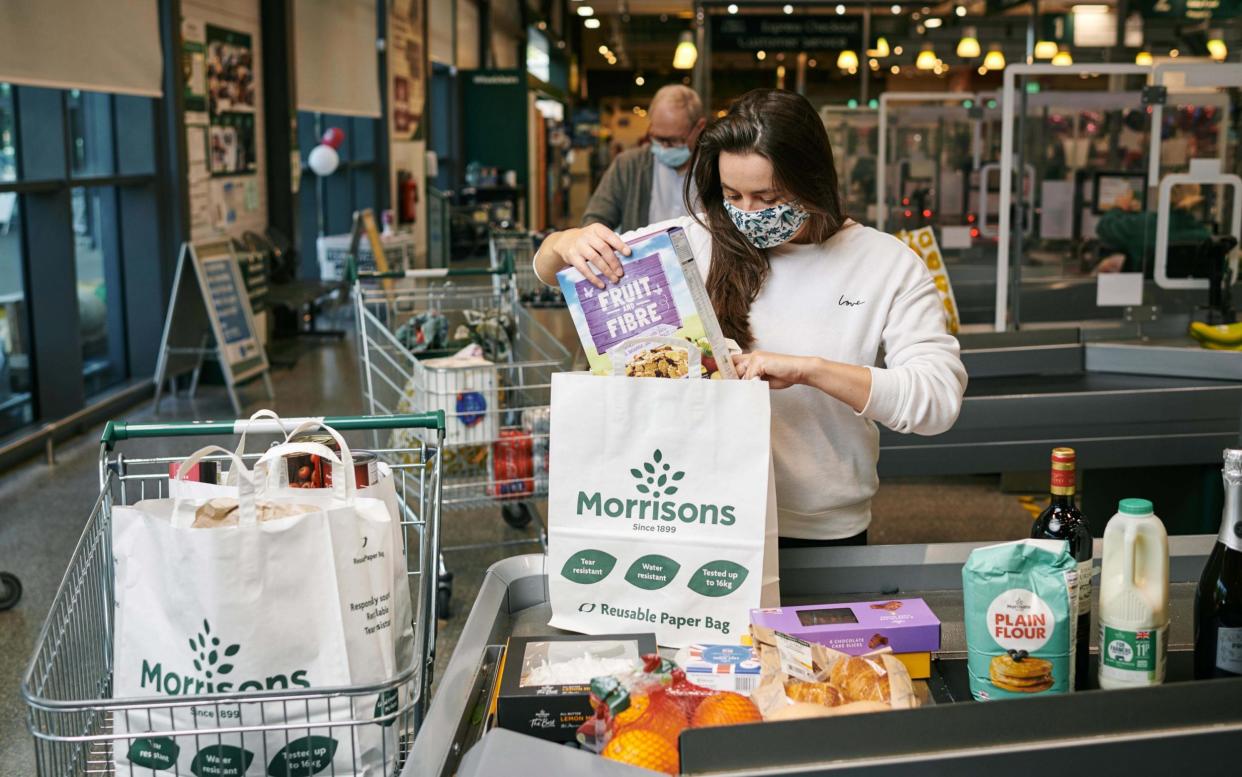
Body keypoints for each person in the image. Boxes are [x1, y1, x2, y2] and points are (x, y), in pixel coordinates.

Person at [535, 89, 967, 547]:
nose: (747, 214)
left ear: (812, 180)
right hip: (699, 516)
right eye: (732, 195)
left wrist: (808, 370)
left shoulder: (886, 264)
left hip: (820, 530)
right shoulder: (694, 241)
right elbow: (553, 266)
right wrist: (566, 241)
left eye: (767, 197)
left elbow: (936, 401)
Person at [583, 85, 707, 234]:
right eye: (656, 138)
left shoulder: (717, 168)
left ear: (699, 127)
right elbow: (595, 219)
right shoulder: (628, 166)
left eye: (673, 141)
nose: (664, 147)